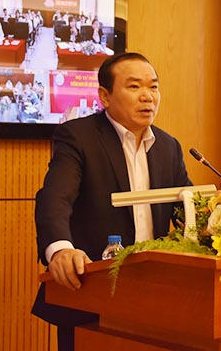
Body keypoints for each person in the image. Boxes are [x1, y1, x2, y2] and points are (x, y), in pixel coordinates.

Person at [31, 53, 192, 351]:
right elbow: (55, 197)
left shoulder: (169, 147)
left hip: (155, 297)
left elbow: (188, 210)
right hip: (91, 295)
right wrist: (61, 249)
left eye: (153, 87)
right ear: (105, 96)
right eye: (134, 86)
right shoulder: (78, 137)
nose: (147, 96)